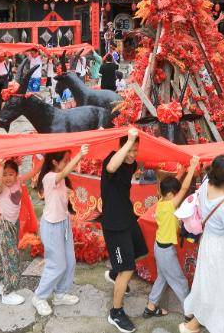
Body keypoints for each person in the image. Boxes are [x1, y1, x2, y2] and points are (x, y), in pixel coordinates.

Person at [180, 155, 224, 333]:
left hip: (208, 242)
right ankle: (218, 325)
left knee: (208, 283)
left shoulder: (206, 184)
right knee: (223, 287)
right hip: (222, 249)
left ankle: (198, 324)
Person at [33, 146, 89, 316]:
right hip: (51, 227)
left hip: (63, 223)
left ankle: (60, 293)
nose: (66, 163)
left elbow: (61, 192)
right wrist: (80, 155)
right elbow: (62, 175)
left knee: (70, 261)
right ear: (55, 162)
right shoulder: (50, 177)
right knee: (56, 265)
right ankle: (39, 297)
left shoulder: (59, 179)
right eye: (64, 161)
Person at [102, 128, 146, 333]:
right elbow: (112, 167)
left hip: (127, 217)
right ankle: (116, 313)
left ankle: (114, 272)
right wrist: (128, 142)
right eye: (129, 150)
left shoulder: (132, 163)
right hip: (114, 223)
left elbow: (141, 163)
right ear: (121, 147)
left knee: (139, 251)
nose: (132, 155)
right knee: (127, 268)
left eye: (136, 150)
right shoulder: (112, 160)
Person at [145, 156, 199, 318]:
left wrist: (183, 170)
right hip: (166, 251)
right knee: (180, 281)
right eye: (174, 194)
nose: (178, 196)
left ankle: (151, 306)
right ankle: (190, 313)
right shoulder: (169, 205)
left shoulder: (161, 199)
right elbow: (183, 189)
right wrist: (193, 166)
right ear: (170, 194)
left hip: (159, 247)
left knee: (162, 278)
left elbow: (173, 185)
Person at [0, 158, 38, 306]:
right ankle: (8, 293)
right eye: (4, 174)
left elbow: (34, 171)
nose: (7, 177)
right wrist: (1, 165)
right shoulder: (0, 187)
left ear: (16, 175)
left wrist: (42, 156)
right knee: (11, 260)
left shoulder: (19, 182)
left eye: (11, 174)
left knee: (4, 258)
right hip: (4, 228)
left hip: (13, 225)